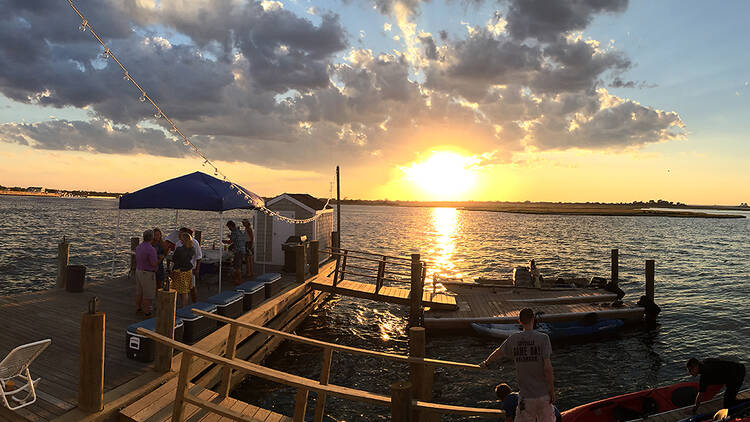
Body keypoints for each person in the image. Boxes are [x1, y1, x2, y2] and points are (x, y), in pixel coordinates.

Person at [480, 308, 555, 422]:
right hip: (543, 395)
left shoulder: (514, 339)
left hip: (526, 397)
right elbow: (548, 368)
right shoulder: (543, 338)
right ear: (533, 320)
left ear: (519, 321)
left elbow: (498, 352)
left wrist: (486, 363)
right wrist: (551, 391)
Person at [495, 383, 561, 422]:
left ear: (500, 397)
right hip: (556, 414)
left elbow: (509, 420)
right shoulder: (519, 395)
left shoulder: (508, 400)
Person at [135, 229, 158, 317]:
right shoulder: (151, 249)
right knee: (147, 293)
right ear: (152, 238)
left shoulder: (138, 247)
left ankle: (138, 307)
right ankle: (147, 311)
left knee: (139, 292)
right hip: (147, 273)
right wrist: (160, 259)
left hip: (139, 271)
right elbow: (153, 263)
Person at [177, 227, 202, 303]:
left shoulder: (194, 243)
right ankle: (184, 304)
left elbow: (199, 257)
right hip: (180, 269)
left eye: (181, 233)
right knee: (182, 289)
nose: (179, 235)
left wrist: (197, 269)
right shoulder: (178, 243)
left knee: (192, 288)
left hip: (191, 269)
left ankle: (195, 303)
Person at [171, 232, 195, 308]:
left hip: (179, 271)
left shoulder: (179, 249)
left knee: (176, 290)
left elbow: (174, 259)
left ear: (183, 240)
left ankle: (175, 306)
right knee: (185, 291)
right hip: (188, 271)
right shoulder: (192, 249)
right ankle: (184, 307)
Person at [224, 220, 245, 285]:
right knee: (239, 266)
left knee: (237, 267)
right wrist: (230, 237)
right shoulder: (238, 231)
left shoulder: (234, 232)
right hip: (242, 250)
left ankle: (239, 280)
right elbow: (237, 239)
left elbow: (230, 242)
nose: (229, 229)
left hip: (238, 251)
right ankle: (237, 279)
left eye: (229, 227)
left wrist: (224, 241)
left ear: (231, 226)